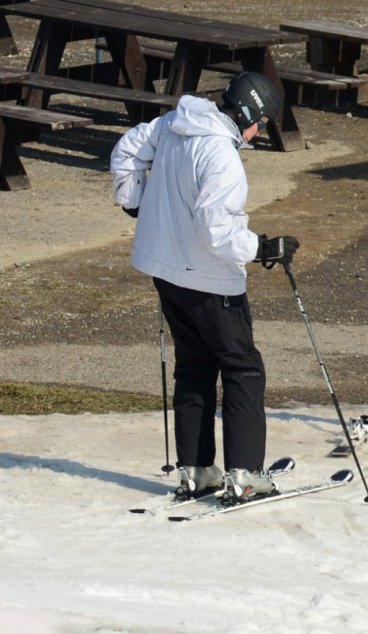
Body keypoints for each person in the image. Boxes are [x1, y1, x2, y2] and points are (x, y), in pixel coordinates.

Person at [110, 71, 299, 499]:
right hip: (210, 280)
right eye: (262, 121)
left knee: (195, 366)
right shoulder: (221, 155)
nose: (259, 131)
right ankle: (245, 475)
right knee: (242, 368)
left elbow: (125, 150)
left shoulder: (175, 124)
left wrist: (133, 198)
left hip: (167, 270)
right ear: (248, 112)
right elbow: (217, 230)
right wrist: (265, 247)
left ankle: (196, 470)